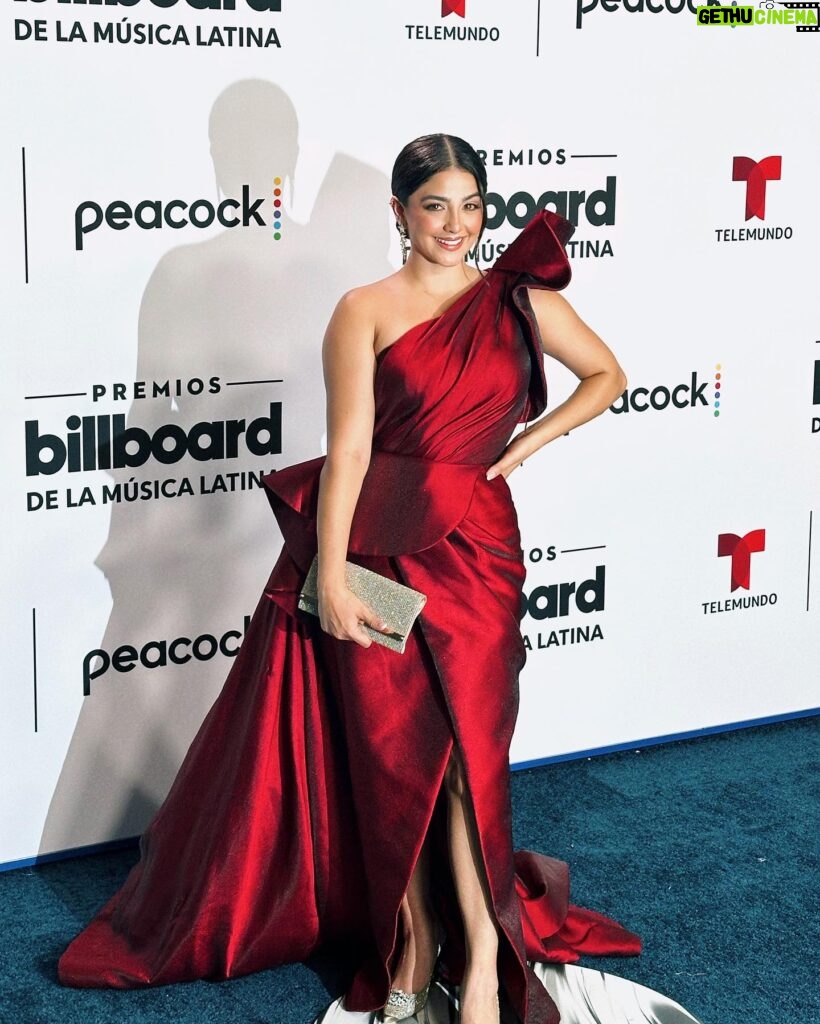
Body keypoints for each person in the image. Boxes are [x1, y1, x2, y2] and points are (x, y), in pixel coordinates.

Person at [58, 135, 640, 1024]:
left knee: (468, 759)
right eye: (434, 205)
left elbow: (607, 375)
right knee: (396, 758)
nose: (456, 225)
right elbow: (353, 451)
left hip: (480, 553)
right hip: (379, 556)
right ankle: (413, 942)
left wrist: (521, 448)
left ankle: (484, 956)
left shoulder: (518, 298)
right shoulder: (363, 308)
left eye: (472, 204)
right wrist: (329, 573)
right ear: (400, 212)